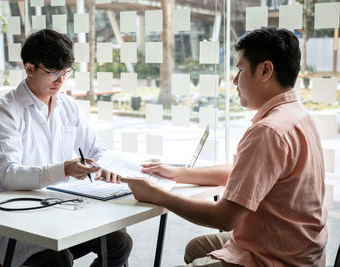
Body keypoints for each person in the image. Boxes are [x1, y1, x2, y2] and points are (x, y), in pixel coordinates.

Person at [122, 27, 327, 267]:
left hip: (276, 258)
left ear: (265, 70)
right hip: (301, 248)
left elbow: (225, 216)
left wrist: (158, 195)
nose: (234, 80)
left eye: (240, 69)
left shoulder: (268, 131)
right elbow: (244, 174)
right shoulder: (296, 114)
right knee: (195, 247)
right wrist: (177, 173)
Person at [0, 29, 132, 267]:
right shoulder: (3, 113)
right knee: (57, 260)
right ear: (29, 68)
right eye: (53, 72)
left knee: (120, 242)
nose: (60, 80)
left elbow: (95, 150)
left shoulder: (68, 106)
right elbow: (8, 175)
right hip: (21, 218)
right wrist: (65, 168)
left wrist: (105, 166)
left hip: (64, 212)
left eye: (65, 72)